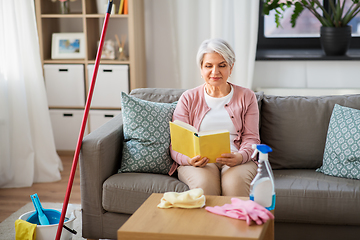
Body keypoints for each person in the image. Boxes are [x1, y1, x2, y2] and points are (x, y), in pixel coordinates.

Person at [169, 38, 260, 196]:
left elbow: (252, 139)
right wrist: (189, 160)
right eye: (208, 66)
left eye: (222, 65)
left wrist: (240, 157)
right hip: (199, 162)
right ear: (201, 69)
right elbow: (176, 145)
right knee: (204, 186)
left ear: (231, 68)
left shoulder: (247, 96)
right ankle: (207, 222)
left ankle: (236, 221)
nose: (215, 72)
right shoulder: (188, 98)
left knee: (235, 185)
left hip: (236, 159)